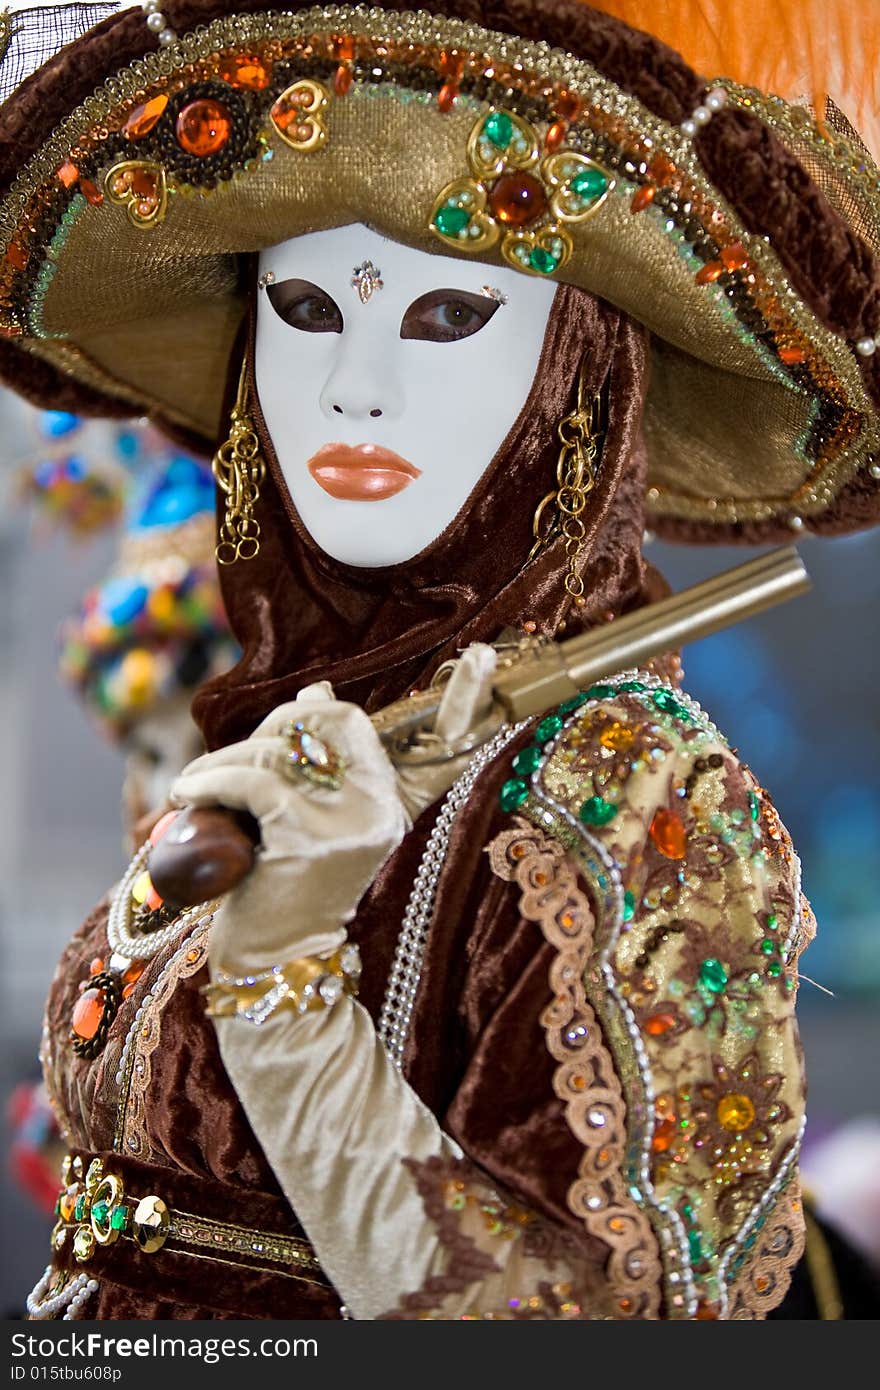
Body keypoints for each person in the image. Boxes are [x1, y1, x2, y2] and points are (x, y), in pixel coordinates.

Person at [1, 0, 877, 1321]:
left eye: (446, 314)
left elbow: (616, 1320)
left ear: (577, 378)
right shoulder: (263, 724)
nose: (355, 389)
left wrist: (287, 991)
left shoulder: (631, 793)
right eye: (305, 308)